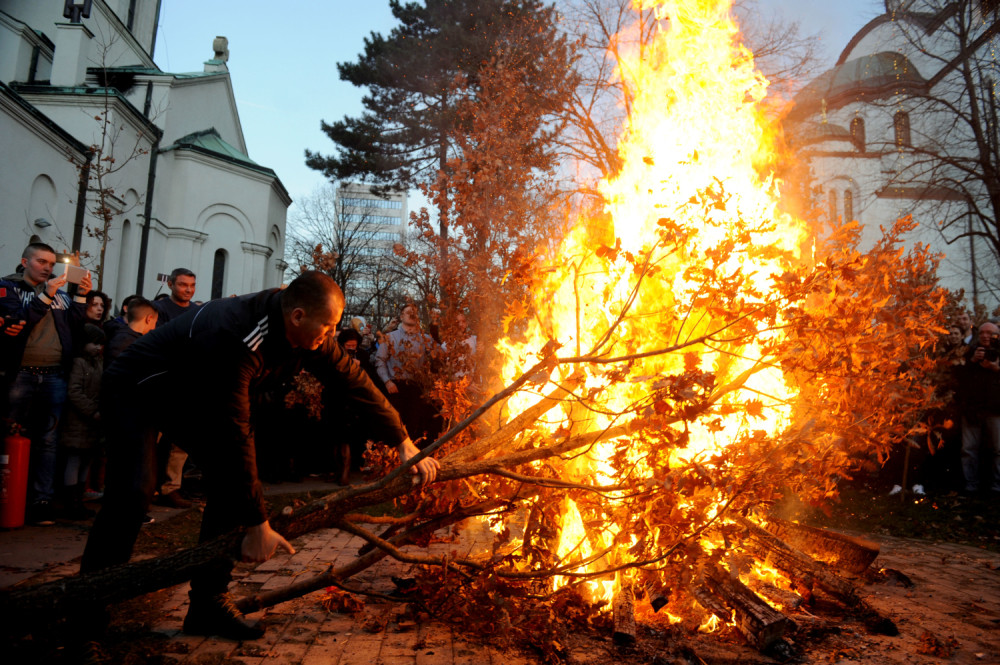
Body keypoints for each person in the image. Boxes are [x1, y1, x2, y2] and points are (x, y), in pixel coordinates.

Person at [81, 271, 438, 639]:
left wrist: (402, 440)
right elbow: (234, 434)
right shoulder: (238, 335)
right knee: (134, 492)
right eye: (328, 326)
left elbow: (354, 380)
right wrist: (257, 523)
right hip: (136, 388)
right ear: (297, 316)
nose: (332, 334)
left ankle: (207, 605)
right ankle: (84, 618)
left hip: (191, 391)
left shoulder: (311, 333)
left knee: (228, 484)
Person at [0, 242, 91, 525]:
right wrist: (46, 295)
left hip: (53, 375)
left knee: (48, 441)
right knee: (8, 435)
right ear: (24, 262)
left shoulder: (60, 293)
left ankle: (42, 501)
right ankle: (7, 500)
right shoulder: (9, 288)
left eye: (51, 263)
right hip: (20, 374)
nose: (48, 268)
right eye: (41, 262)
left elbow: (75, 326)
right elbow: (19, 322)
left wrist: (80, 296)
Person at [152, 268, 201, 509]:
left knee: (180, 441)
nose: (188, 290)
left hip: (188, 383)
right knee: (151, 439)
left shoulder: (197, 311)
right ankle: (145, 487)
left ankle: (171, 488)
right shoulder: (159, 309)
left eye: (192, 285)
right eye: (183, 285)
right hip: (162, 381)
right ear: (171, 284)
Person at [376, 303, 442, 446]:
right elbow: (380, 360)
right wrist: (387, 381)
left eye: (415, 313)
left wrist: (435, 327)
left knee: (414, 426)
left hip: (417, 388)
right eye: (408, 312)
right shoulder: (390, 337)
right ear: (401, 316)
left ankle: (413, 457)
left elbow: (441, 355)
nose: (412, 315)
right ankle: (393, 456)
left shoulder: (425, 338)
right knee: (396, 426)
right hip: (396, 387)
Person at [59, 323, 105, 520]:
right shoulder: (79, 363)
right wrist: (92, 410)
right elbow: (74, 391)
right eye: (94, 343)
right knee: (75, 460)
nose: (98, 347)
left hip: (91, 421)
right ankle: (71, 502)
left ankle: (79, 499)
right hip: (77, 420)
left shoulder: (98, 361)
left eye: (100, 344)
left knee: (85, 460)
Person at [954, 321, 1000, 494]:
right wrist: (972, 361)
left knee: (998, 450)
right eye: (982, 333)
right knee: (969, 449)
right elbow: (958, 377)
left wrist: (996, 368)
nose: (985, 336)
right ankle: (970, 485)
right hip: (973, 410)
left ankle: (996, 486)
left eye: (990, 333)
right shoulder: (970, 352)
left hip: (996, 410)